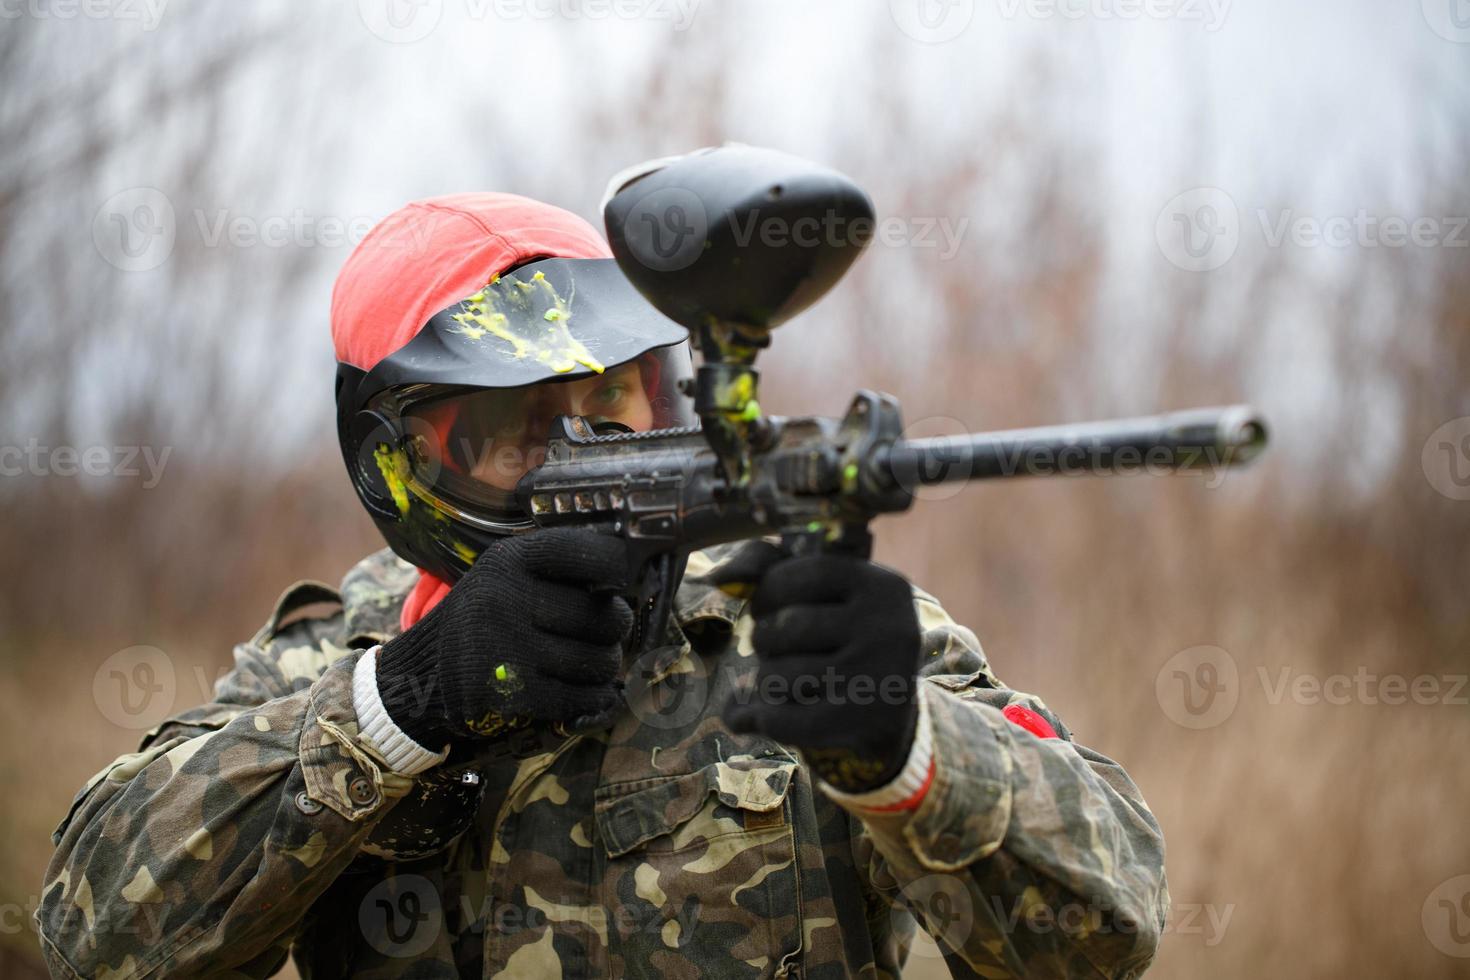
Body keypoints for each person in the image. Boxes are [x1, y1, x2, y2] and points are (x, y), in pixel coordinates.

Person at [36, 188, 1169, 978]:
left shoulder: (797, 627)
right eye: (507, 424)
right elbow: (96, 934)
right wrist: (405, 706)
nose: (581, 445)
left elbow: (1107, 934)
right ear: (398, 458)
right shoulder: (332, 659)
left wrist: (909, 758)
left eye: (612, 398)